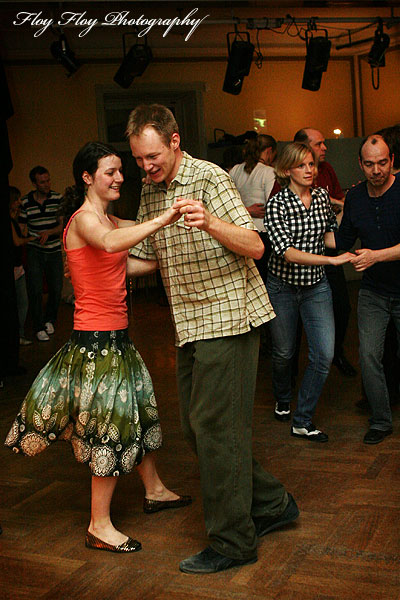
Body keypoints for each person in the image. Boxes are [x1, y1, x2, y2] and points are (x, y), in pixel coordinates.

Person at [127, 104, 298, 575]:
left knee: (218, 432)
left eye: (154, 156)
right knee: (198, 431)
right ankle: (273, 504)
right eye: (140, 159)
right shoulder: (150, 189)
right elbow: (148, 257)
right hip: (189, 325)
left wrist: (210, 222)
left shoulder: (209, 179)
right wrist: (94, 262)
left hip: (229, 319)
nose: (147, 166)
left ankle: (234, 541)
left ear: (175, 140)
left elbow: (256, 245)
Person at [5, 141, 191, 553]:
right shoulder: (83, 221)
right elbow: (111, 246)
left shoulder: (108, 219)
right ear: (88, 177)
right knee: (108, 431)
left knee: (138, 416)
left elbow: (126, 262)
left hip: (117, 341)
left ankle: (155, 490)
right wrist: (164, 218)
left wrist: (166, 262)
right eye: (111, 171)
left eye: (121, 171)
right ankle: (99, 526)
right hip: (96, 346)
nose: (119, 177)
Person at [265, 142, 353, 438]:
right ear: (287, 169)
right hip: (283, 288)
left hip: (316, 287)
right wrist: (332, 260)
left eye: (312, 165)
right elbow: (287, 252)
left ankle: (302, 419)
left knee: (324, 354)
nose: (309, 170)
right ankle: (282, 397)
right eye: (302, 165)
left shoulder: (321, 197)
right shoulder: (277, 203)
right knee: (284, 352)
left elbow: (330, 237)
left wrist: (352, 211)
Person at [326, 134, 400, 445]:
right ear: (360, 165)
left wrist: (375, 255)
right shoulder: (355, 198)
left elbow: (374, 253)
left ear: (392, 161)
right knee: (369, 355)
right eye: (369, 164)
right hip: (373, 292)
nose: (377, 170)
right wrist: (306, 235)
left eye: (383, 162)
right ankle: (381, 420)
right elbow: (342, 242)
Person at [293, 128, 356, 377]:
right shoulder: (285, 180)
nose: (325, 148)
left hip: (327, 255)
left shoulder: (327, 170)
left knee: (342, 307)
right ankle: (290, 370)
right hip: (297, 265)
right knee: (296, 321)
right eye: (319, 144)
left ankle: (336, 353)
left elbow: (337, 205)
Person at [19, 166, 64, 342]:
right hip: (34, 250)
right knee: (35, 289)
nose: (46, 184)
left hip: (53, 249)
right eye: (42, 182)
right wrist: (26, 236)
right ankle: (38, 326)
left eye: (48, 180)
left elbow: (61, 226)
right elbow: (23, 227)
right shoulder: (25, 202)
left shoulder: (58, 199)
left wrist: (49, 232)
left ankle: (50, 320)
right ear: (34, 184)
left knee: (56, 288)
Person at [230, 135, 276, 283]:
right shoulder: (269, 172)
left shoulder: (235, 170)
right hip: (262, 234)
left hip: (239, 232)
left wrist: (245, 210)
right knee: (262, 279)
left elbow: (227, 203)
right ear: (269, 151)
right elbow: (273, 203)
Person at [9, 186, 34, 345]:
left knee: (22, 304)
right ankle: (17, 336)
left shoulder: (14, 218)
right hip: (13, 267)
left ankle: (19, 335)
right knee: (21, 305)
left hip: (18, 267)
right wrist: (31, 239)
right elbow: (17, 241)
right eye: (17, 199)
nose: (20, 202)